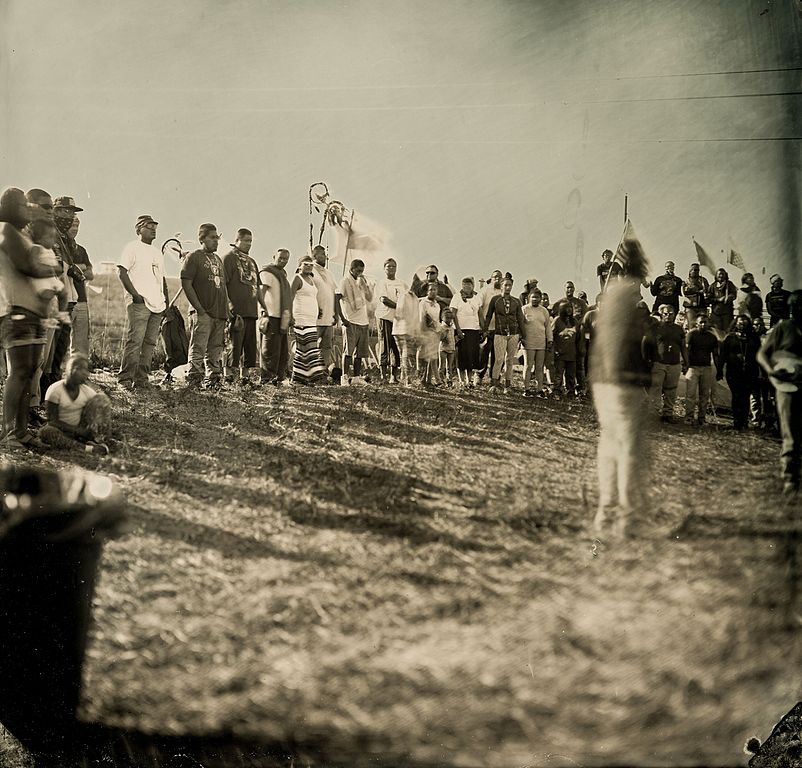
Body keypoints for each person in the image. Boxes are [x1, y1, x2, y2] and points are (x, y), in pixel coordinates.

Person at [590, 277, 654, 538]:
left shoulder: (603, 323)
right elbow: (648, 355)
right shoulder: (635, 325)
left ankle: (606, 511)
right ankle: (626, 516)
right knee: (627, 450)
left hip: (603, 385)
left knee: (608, 446)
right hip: (625, 387)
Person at [0, 187, 59, 451]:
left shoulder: (22, 234)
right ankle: (11, 432)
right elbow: (26, 266)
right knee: (20, 372)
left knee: (29, 372)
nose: (27, 210)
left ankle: (22, 432)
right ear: (10, 208)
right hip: (17, 310)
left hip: (32, 312)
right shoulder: (6, 230)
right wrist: (54, 267)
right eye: (23, 206)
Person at [757, 291, 802, 494]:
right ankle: (790, 479)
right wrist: (772, 371)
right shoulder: (783, 327)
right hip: (788, 388)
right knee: (790, 432)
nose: (797, 310)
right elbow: (762, 354)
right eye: (795, 307)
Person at [117, 215, 169, 390]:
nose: (153, 229)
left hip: (157, 304)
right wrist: (135, 295)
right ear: (139, 229)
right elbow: (122, 272)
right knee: (135, 341)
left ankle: (141, 380)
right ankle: (125, 380)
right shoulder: (132, 247)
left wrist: (165, 302)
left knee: (149, 343)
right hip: (139, 303)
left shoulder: (157, 253)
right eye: (149, 226)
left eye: (155, 226)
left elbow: (161, 279)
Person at [181, 223, 228, 389]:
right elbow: (186, 283)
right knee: (198, 346)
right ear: (202, 239)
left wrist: (226, 312)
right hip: (202, 312)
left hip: (218, 313)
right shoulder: (194, 257)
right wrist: (199, 309)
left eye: (217, 238)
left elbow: (223, 287)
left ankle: (213, 381)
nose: (216, 241)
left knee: (215, 349)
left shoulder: (218, 260)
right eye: (212, 238)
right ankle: (194, 381)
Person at [40, 354, 110, 454]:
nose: (86, 373)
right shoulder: (55, 390)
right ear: (71, 370)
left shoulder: (87, 391)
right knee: (46, 432)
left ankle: (97, 441)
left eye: (86, 370)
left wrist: (93, 429)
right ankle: (88, 448)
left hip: (81, 431)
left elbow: (100, 408)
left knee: (101, 399)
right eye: (81, 369)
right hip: (61, 431)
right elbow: (52, 421)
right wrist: (76, 430)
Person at [223, 228, 260, 385]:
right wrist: (229, 306)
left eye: (251, 241)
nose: (248, 244)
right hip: (235, 310)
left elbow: (258, 287)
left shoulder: (252, 262)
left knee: (249, 345)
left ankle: (245, 377)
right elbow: (223, 285)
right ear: (237, 240)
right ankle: (228, 375)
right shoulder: (228, 258)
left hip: (251, 310)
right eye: (245, 240)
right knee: (233, 343)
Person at [644, 304, 688, 423]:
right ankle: (653, 413)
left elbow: (683, 347)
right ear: (661, 314)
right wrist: (647, 359)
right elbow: (645, 343)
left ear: (674, 314)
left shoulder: (679, 329)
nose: (668, 316)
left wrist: (686, 362)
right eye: (665, 314)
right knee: (656, 388)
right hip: (659, 363)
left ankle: (668, 414)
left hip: (674, 364)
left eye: (671, 314)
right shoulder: (655, 328)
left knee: (671, 389)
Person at [717, 314, 761, 431]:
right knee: (736, 396)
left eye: (745, 323)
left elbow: (759, 356)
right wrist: (719, 370)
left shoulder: (754, 338)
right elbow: (722, 355)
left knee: (745, 397)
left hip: (750, 372)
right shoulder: (729, 337)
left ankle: (744, 422)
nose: (742, 325)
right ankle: (737, 422)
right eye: (740, 323)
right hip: (733, 371)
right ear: (736, 324)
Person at [483, 276, 526, 392]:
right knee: (499, 359)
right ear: (501, 286)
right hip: (499, 333)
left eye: (510, 285)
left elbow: (520, 319)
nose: (508, 287)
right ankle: (494, 384)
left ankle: (508, 385)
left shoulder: (517, 301)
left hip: (514, 333)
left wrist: (523, 335)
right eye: (505, 285)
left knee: (510, 360)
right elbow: (488, 316)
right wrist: (485, 330)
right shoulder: (495, 299)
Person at [290, 254, 327, 385]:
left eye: (311, 264)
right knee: (303, 348)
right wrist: (290, 316)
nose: (309, 266)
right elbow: (291, 296)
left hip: (311, 319)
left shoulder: (311, 280)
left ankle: (307, 378)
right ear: (299, 266)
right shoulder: (297, 278)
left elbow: (311, 297)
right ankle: (297, 378)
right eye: (306, 264)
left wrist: (318, 309)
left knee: (310, 349)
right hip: (301, 318)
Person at [258, 248, 293, 386]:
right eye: (280, 258)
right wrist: (263, 310)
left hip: (282, 317)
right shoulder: (267, 272)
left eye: (286, 259)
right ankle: (266, 378)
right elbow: (261, 292)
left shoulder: (282, 274)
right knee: (269, 349)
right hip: (270, 315)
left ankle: (279, 377)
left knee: (282, 350)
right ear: (274, 257)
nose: (283, 261)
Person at [336, 258, 373, 384]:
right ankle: (344, 377)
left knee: (360, 353)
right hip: (350, 320)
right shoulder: (345, 281)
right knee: (348, 352)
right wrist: (342, 318)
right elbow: (337, 299)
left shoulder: (361, 281)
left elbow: (369, 297)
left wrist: (364, 284)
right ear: (351, 269)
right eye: (358, 271)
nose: (360, 273)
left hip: (363, 321)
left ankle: (356, 377)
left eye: (362, 271)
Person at [373, 257, 407, 383]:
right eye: (388, 266)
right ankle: (383, 375)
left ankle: (394, 375)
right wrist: (399, 307)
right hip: (385, 316)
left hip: (398, 319)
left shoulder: (401, 283)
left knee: (396, 346)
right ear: (384, 269)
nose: (391, 268)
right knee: (384, 345)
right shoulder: (382, 282)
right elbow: (384, 300)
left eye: (393, 266)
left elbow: (407, 298)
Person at [684, 314, 719, 425]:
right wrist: (685, 366)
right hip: (693, 368)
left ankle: (701, 418)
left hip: (706, 368)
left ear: (708, 323)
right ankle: (689, 417)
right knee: (690, 394)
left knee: (704, 395)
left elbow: (715, 354)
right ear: (696, 323)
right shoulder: (691, 334)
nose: (703, 324)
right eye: (701, 322)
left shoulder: (712, 337)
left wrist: (718, 369)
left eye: (705, 322)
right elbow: (686, 351)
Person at [66, 215, 94, 357]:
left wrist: (77, 267)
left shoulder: (80, 250)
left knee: (81, 341)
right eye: (72, 226)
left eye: (77, 226)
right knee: (60, 341)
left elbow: (90, 274)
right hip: (66, 300)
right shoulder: (61, 247)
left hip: (81, 299)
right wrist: (80, 268)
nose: (75, 229)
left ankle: (77, 375)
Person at [310, 245, 339, 378]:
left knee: (326, 346)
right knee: (311, 345)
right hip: (315, 315)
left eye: (325, 254)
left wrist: (336, 313)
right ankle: (310, 372)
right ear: (314, 256)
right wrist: (315, 307)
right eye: (321, 254)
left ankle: (324, 372)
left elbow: (334, 293)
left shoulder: (329, 273)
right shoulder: (310, 271)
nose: (324, 257)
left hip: (328, 316)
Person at [449, 276, 484, 387]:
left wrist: (483, 330)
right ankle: (461, 380)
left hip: (474, 330)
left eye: (469, 284)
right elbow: (453, 314)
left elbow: (480, 314)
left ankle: (469, 381)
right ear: (462, 286)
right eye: (465, 284)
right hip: (461, 330)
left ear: (473, 286)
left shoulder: (477, 298)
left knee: (471, 356)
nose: (467, 286)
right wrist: (458, 330)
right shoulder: (456, 297)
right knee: (461, 356)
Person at [521, 289, 552, 397]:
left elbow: (548, 326)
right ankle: (526, 389)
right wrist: (522, 338)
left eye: (537, 297)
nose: (535, 299)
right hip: (528, 342)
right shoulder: (524, 309)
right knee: (528, 365)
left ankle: (539, 390)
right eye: (533, 297)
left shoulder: (544, 311)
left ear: (540, 298)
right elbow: (520, 326)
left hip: (541, 342)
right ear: (529, 297)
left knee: (539, 366)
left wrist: (550, 340)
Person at [478, 269, 503, 384]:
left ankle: (495, 378)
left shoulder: (503, 292)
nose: (497, 279)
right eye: (495, 277)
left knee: (498, 354)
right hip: (486, 327)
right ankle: (479, 376)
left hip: (499, 329)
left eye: (499, 277)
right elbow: (478, 307)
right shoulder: (485, 290)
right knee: (483, 353)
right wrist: (482, 326)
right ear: (491, 278)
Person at [551, 302, 581, 397]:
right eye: (566, 307)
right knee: (559, 374)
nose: (569, 310)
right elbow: (551, 336)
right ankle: (557, 391)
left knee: (571, 375)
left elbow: (578, 337)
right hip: (560, 352)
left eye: (570, 308)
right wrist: (555, 349)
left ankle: (570, 391)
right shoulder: (557, 320)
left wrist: (578, 349)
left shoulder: (575, 321)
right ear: (561, 309)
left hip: (572, 353)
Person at [418, 282, 443, 387]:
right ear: (427, 291)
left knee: (433, 356)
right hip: (426, 331)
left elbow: (437, 319)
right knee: (426, 355)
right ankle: (423, 379)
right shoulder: (423, 303)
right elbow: (422, 318)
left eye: (435, 290)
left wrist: (439, 330)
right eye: (430, 290)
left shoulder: (437, 304)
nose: (433, 292)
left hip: (435, 332)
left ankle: (429, 380)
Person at [708, 268, 737, 338]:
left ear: (725, 275)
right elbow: (708, 299)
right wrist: (718, 300)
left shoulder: (729, 284)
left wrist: (729, 297)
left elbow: (734, 294)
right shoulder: (712, 286)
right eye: (719, 274)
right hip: (716, 313)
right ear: (716, 276)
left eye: (722, 274)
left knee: (727, 331)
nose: (721, 276)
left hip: (727, 313)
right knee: (716, 331)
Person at [681, 263, 710, 329]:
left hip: (701, 305)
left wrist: (705, 293)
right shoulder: (686, 281)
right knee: (691, 324)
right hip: (690, 306)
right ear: (690, 271)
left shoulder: (703, 280)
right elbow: (684, 293)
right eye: (693, 270)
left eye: (697, 270)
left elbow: (707, 291)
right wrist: (696, 290)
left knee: (702, 324)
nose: (695, 271)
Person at [439, 308, 457, 386]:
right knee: (442, 366)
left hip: (451, 348)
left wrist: (457, 339)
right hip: (443, 349)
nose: (449, 320)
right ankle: (441, 380)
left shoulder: (452, 328)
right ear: (442, 317)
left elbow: (453, 338)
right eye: (447, 317)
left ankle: (449, 381)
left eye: (450, 318)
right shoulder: (441, 327)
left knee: (450, 366)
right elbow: (440, 338)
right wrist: (444, 334)